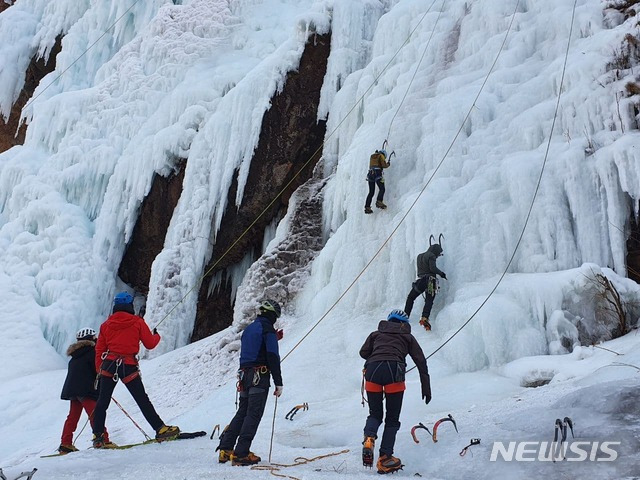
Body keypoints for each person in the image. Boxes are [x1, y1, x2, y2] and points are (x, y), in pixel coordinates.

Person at [92, 291, 179, 447]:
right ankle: (160, 429)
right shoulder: (137, 322)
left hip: (109, 365)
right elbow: (150, 344)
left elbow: (99, 349)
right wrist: (157, 336)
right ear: (129, 305)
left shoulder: (105, 325)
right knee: (141, 399)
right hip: (128, 365)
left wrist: (99, 369)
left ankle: (98, 437)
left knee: (102, 402)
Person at [359, 309, 431, 474]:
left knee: (375, 414)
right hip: (394, 372)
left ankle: (369, 438)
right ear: (403, 324)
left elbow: (363, 353)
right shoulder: (407, 337)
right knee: (392, 419)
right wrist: (426, 387)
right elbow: (420, 361)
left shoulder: (375, 334)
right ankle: (385, 458)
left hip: (372, 371)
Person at [217, 299, 283, 466]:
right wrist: (278, 382)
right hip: (259, 377)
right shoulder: (267, 329)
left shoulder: (250, 328)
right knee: (253, 414)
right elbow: (272, 356)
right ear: (273, 315)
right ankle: (241, 453)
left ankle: (226, 448)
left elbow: (256, 347)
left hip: (245, 376)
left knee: (243, 412)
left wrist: (274, 337)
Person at [58, 328, 115, 453]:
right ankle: (102, 440)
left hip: (73, 391)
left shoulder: (75, 355)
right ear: (93, 338)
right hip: (86, 390)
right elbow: (98, 370)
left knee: (72, 417)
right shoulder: (93, 352)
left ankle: (65, 444)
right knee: (95, 414)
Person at [404, 242, 447, 331]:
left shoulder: (419, 256)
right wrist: (441, 274)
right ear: (435, 251)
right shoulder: (431, 255)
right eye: (438, 254)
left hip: (420, 281)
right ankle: (425, 318)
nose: (438, 256)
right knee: (429, 300)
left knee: (411, 297)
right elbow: (433, 268)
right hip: (430, 281)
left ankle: (405, 316)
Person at [364, 149, 390, 214]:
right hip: (377, 173)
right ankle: (379, 201)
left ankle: (367, 207)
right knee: (382, 188)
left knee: (371, 192)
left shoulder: (372, 156)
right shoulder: (381, 156)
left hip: (370, 174)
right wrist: (388, 164)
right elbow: (384, 165)